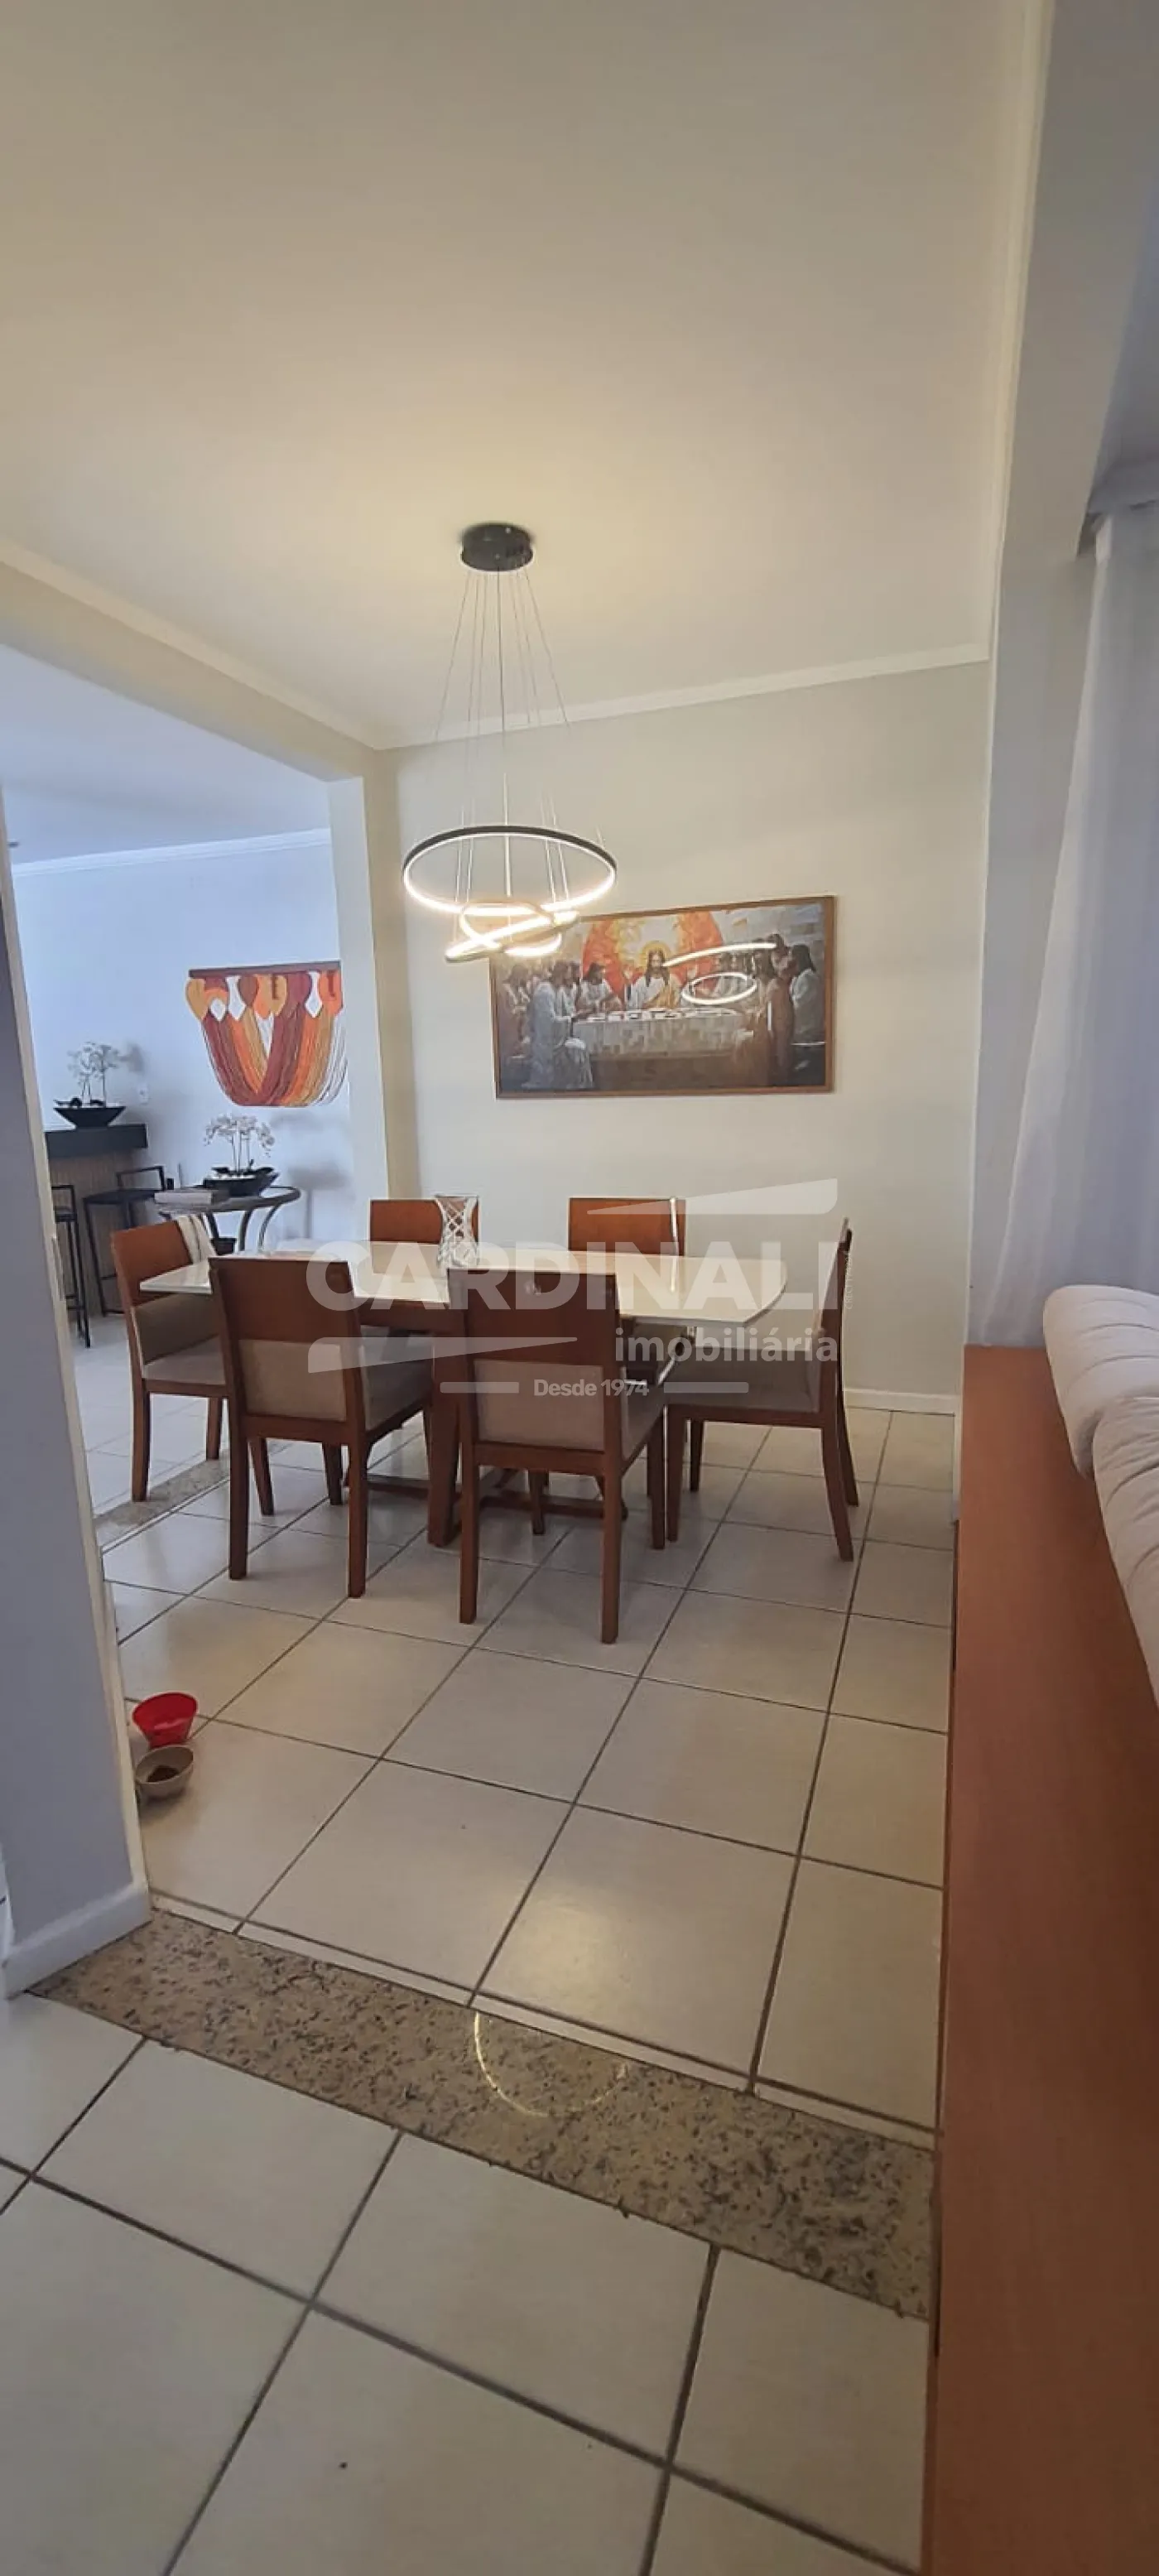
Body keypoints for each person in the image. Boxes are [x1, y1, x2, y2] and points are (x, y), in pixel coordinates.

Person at [789, 944, 824, 1045]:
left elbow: (799, 1006)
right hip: (800, 1034)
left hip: (807, 1034)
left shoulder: (809, 978)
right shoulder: (797, 978)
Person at [631, 945, 676, 1010]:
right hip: (647, 1015)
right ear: (650, 963)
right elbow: (636, 1005)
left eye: (658, 961)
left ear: (663, 963)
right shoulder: (641, 982)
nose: (656, 965)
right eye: (653, 961)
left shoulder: (672, 980)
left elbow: (677, 1003)